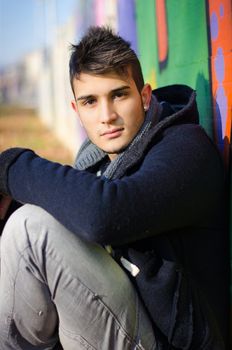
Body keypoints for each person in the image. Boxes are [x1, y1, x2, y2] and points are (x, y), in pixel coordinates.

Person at [0, 26, 229, 350]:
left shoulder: (185, 149)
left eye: (119, 95)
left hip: (168, 342)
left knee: (30, 229)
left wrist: (8, 166)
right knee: (22, 221)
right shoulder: (94, 161)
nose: (107, 116)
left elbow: (105, 214)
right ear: (76, 111)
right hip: (126, 320)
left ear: (145, 96)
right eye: (90, 102)